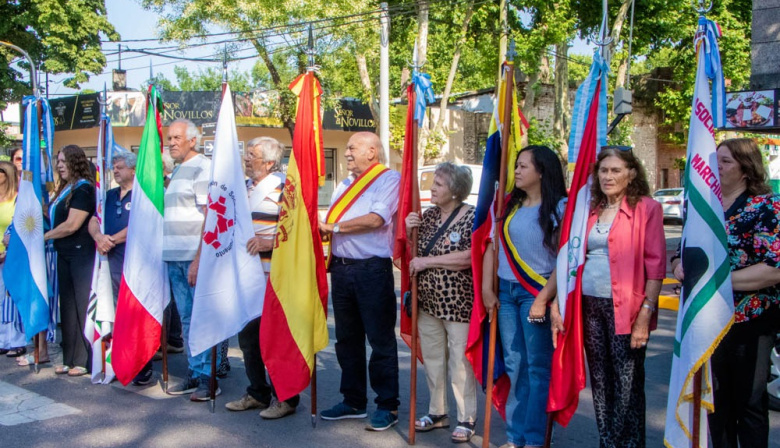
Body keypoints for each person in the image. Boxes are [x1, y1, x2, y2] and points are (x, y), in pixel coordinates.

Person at [551, 146, 665, 448]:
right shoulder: (589, 211)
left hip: (627, 309)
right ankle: (608, 441)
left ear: (631, 173)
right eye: (603, 170)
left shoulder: (647, 209)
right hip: (589, 306)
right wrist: (556, 302)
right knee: (601, 382)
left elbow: (655, 268)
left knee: (627, 385)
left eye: (615, 170)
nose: (608, 176)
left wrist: (645, 315)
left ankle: (625, 443)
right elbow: (571, 258)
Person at [671, 138, 780, 448]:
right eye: (714, 161)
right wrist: (679, 265)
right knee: (714, 404)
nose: (716, 167)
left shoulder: (767, 207)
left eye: (725, 162)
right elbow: (682, 253)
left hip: (751, 321)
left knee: (749, 403)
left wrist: (715, 281)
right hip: (706, 321)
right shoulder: (704, 207)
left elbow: (773, 269)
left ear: (746, 169)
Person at [481, 146, 567, 448]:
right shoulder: (509, 206)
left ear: (541, 171)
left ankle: (534, 438)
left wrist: (545, 297)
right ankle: (515, 436)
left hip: (536, 292)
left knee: (536, 368)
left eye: (523, 166)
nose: (516, 171)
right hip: (505, 291)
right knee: (515, 365)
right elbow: (492, 246)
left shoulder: (560, 207)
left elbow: (564, 259)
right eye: (516, 165)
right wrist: (487, 289)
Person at [318, 132, 401, 431]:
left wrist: (334, 227)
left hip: (371, 270)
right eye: (348, 148)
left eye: (353, 147)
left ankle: (387, 405)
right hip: (341, 269)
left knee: (379, 341)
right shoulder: (344, 184)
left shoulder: (389, 179)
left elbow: (376, 219)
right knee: (347, 340)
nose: (348, 152)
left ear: (372, 151)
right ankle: (353, 400)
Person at [224, 136, 299, 419]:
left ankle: (287, 398)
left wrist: (271, 243)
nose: (246, 158)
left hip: (273, 275)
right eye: (247, 153)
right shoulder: (242, 187)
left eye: (252, 154)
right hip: (245, 276)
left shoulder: (284, 187)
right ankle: (257, 392)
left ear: (269, 162)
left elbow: (297, 229)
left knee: (276, 339)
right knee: (248, 338)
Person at [404, 162, 478, 443]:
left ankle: (466, 417)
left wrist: (428, 261)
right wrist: (411, 232)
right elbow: (415, 256)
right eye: (433, 183)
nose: (432, 188)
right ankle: (437, 412)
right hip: (428, 300)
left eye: (439, 184)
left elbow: (468, 257)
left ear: (456, 190)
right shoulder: (428, 215)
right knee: (433, 359)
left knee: (460, 362)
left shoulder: (471, 216)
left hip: (458, 301)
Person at [162, 119, 219, 400]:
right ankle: (195, 372)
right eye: (168, 138)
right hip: (173, 257)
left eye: (176, 138)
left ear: (192, 140)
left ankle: (209, 378)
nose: (170, 142)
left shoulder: (203, 167)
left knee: (200, 317)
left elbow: (209, 215)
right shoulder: (178, 170)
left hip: (192, 257)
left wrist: (199, 258)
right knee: (186, 318)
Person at [44, 145, 97, 377]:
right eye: (58, 161)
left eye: (64, 161)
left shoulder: (83, 190)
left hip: (81, 254)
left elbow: (72, 225)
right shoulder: (65, 188)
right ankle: (69, 358)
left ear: (75, 162)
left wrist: (43, 237)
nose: (59, 165)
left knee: (81, 305)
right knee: (66, 306)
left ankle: (85, 359)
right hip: (64, 253)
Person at [0, 161, 26, 357]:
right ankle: (3, 340)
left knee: (12, 299)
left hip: (10, 256)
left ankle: (17, 340)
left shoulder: (17, 200)